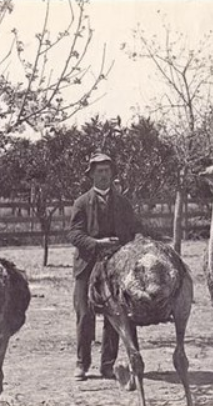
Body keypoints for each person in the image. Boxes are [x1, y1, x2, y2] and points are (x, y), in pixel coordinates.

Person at [67, 152, 143, 381]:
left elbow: (136, 228)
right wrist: (96, 243)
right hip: (87, 266)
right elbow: (74, 234)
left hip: (116, 266)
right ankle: (82, 364)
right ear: (91, 175)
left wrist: (138, 243)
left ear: (112, 173)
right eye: (99, 171)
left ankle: (107, 365)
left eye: (107, 171)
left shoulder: (122, 203)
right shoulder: (81, 203)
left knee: (116, 315)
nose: (103, 175)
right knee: (84, 315)